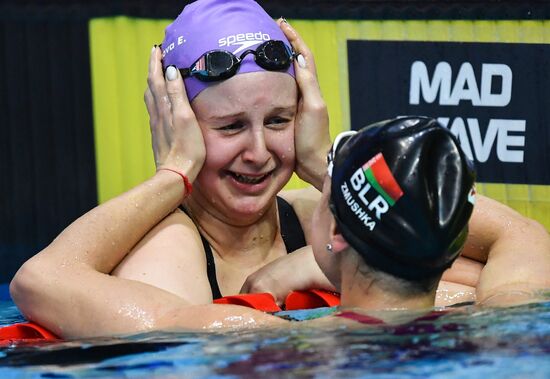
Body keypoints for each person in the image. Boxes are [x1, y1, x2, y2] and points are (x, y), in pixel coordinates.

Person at [10, 0, 550, 338]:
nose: (260, 152)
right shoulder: (168, 256)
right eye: (229, 128)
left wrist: (314, 176)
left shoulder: (273, 294)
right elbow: (504, 245)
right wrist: (329, 168)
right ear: (182, 124)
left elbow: (43, 278)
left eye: (280, 120)